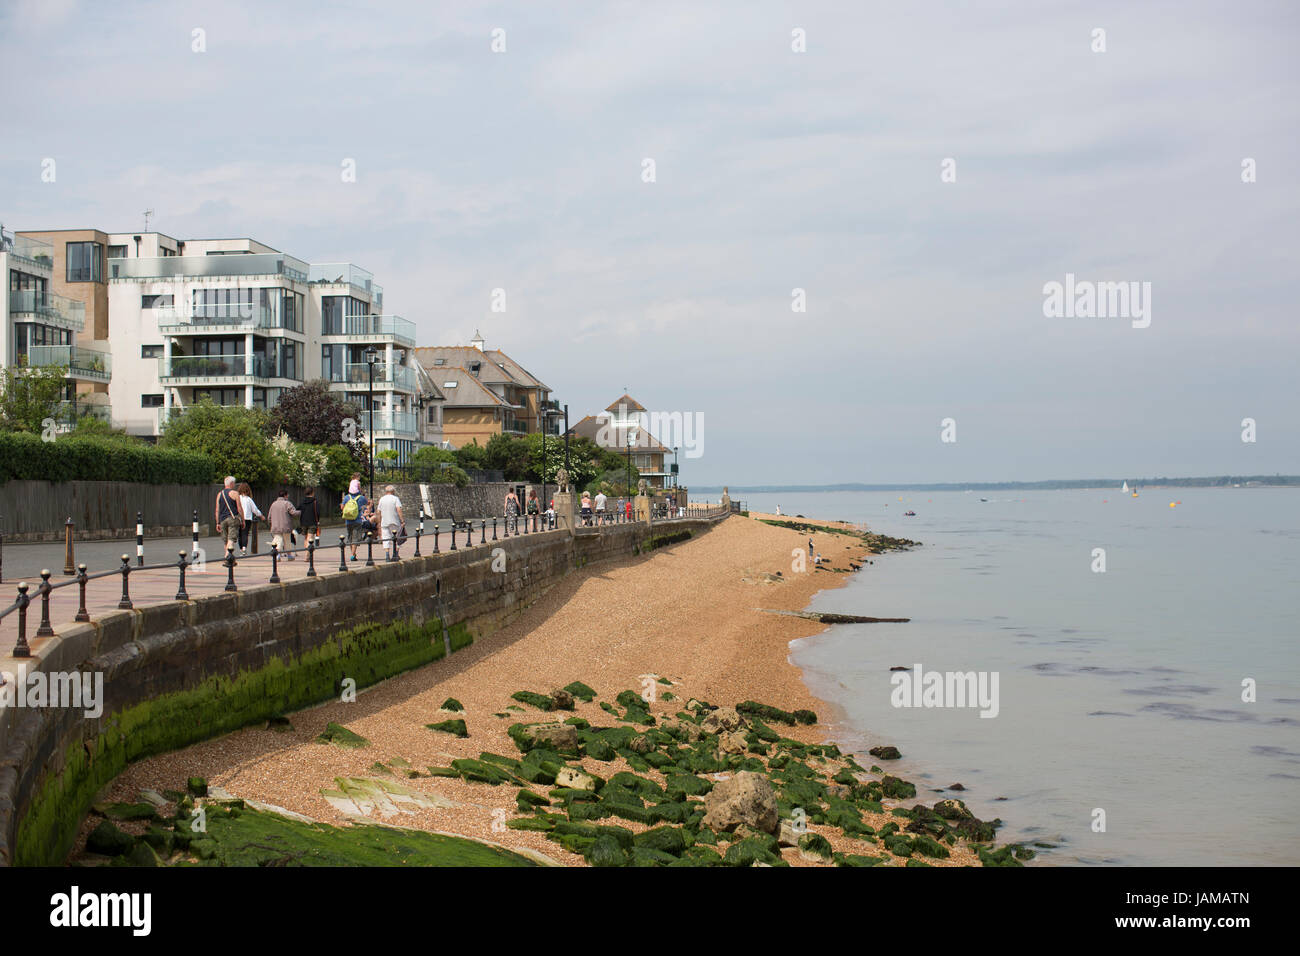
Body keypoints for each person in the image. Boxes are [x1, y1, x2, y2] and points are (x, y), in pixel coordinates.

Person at [267, 489, 300, 559]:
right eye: (287, 495)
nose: (288, 496)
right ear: (285, 495)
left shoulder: (273, 504)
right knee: (287, 540)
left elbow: (269, 517)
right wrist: (301, 512)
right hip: (286, 526)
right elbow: (293, 512)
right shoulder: (287, 503)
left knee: (277, 540)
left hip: (275, 526)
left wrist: (271, 524)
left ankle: (277, 555)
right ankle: (289, 555)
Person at [214, 476, 244, 554]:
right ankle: (228, 558)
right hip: (232, 519)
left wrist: (217, 522)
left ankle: (230, 558)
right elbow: (239, 508)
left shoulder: (219, 494)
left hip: (222, 520)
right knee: (231, 540)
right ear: (231, 483)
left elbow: (217, 510)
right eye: (234, 483)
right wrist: (243, 520)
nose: (234, 484)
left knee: (225, 541)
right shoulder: (235, 493)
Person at [341, 480, 368, 561]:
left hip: (348, 520)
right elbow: (367, 502)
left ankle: (353, 554)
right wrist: (361, 491)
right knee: (355, 537)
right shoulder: (361, 498)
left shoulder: (346, 497)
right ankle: (353, 555)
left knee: (350, 537)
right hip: (357, 520)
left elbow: (342, 507)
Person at [377, 484, 404, 559]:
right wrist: (402, 520)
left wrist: (379, 522)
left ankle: (387, 554)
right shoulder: (395, 499)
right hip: (394, 521)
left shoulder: (382, 499)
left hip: (384, 522)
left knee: (386, 538)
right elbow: (399, 509)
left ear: (386, 491)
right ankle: (396, 554)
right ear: (393, 491)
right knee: (398, 537)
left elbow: (378, 511)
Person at [236, 482, 263, 556]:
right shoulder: (249, 500)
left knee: (239, 534)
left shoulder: (237, 498)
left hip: (238, 518)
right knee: (245, 533)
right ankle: (244, 548)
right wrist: (261, 515)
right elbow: (255, 509)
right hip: (247, 518)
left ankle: (241, 548)